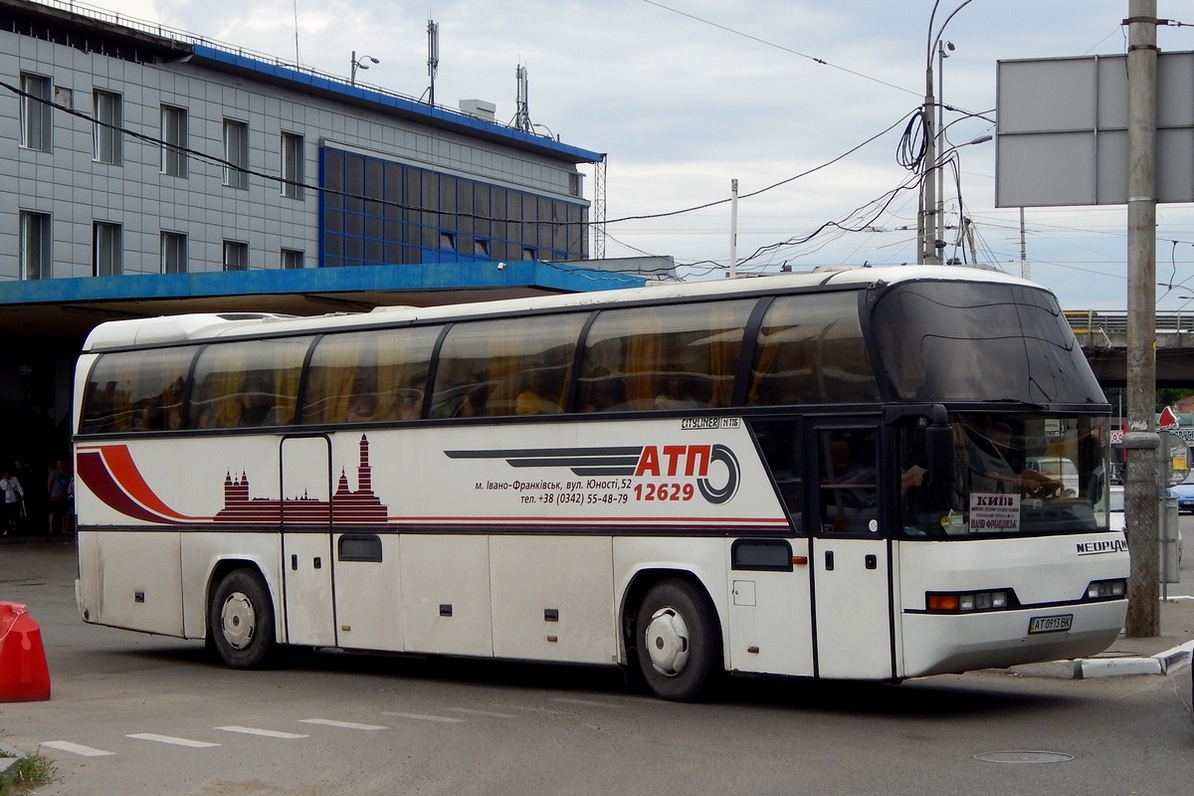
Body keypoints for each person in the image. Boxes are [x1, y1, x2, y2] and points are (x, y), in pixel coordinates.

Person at [47, 460, 71, 536]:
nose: (60, 464)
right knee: (53, 513)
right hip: (55, 496)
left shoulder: (66, 474)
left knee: (64, 513)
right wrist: (51, 493)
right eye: (58, 463)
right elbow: (49, 484)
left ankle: (64, 529)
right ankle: (51, 529)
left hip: (64, 496)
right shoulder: (54, 473)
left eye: (61, 463)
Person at [0, 469, 24, 536]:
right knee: (7, 516)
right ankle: (7, 529)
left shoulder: (14, 478)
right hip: (7, 501)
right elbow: (4, 488)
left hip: (15, 500)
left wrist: (22, 494)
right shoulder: (1, 481)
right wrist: (6, 481)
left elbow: (18, 487)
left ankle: (17, 529)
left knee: (16, 515)